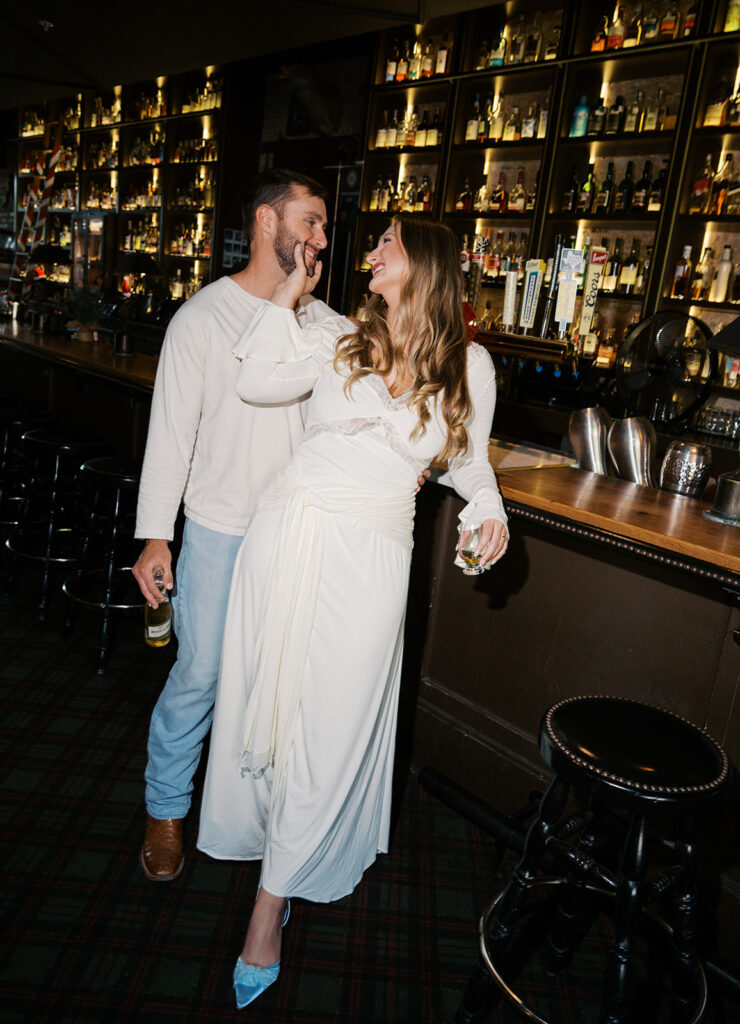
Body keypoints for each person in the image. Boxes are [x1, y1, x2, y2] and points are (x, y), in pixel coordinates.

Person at [196, 215, 509, 1008]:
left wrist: (489, 516)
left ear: (424, 264)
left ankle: (272, 897)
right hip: (288, 533)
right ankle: (273, 892)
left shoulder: (468, 365)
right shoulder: (334, 334)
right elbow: (254, 381)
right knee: (272, 713)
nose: (369, 253)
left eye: (388, 243)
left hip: (371, 559)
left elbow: (471, 471)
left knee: (329, 729)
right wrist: (287, 298)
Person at [132, 169, 334, 882]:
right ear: (266, 222)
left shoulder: (327, 325)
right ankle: (165, 810)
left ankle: (268, 819)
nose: (320, 238)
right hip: (218, 530)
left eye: (323, 227)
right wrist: (156, 537)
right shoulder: (202, 319)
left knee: (285, 684)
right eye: (309, 221)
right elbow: (169, 437)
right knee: (202, 674)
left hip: (299, 537)